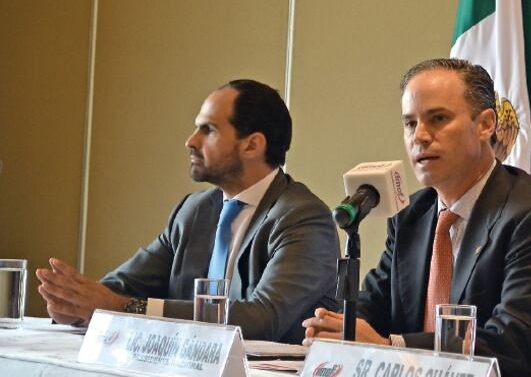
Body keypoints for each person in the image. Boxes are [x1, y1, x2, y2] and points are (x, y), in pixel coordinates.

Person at [303, 58, 531, 377]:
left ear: (485, 124)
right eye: (410, 124)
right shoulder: (411, 214)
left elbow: (518, 343)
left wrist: (392, 346)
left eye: (438, 119)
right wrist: (340, 327)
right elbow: (375, 305)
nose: (420, 136)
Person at [36, 79, 339, 343]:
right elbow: (122, 287)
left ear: (252, 145)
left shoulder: (303, 218)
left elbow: (263, 319)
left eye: (208, 130)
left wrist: (122, 307)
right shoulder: (194, 211)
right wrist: (76, 305)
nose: (190, 141)